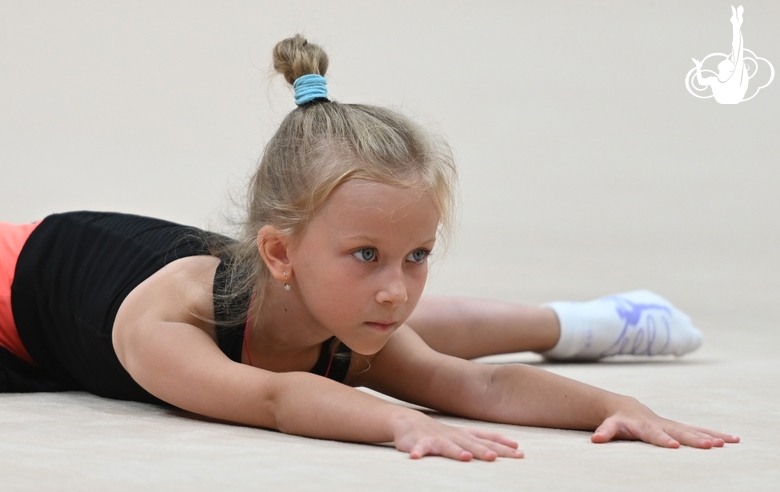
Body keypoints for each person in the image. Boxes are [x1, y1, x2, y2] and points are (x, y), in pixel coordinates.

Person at [0, 35, 738, 461]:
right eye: (369, 254)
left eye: (416, 254)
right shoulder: (166, 325)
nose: (399, 284)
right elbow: (275, 398)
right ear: (280, 254)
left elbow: (475, 387)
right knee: (380, 327)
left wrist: (619, 404)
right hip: (20, 285)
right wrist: (400, 421)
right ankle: (586, 322)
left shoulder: (328, 296)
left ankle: (589, 322)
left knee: (391, 327)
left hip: (274, 299)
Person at [692, 5, 749, 104]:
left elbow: (737, 50)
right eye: (728, 61)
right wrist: (698, 67)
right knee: (737, 51)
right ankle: (736, 23)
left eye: (727, 61)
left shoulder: (726, 79)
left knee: (737, 51)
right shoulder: (718, 80)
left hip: (731, 97)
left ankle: (736, 23)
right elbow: (701, 82)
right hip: (730, 97)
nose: (725, 59)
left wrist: (698, 68)